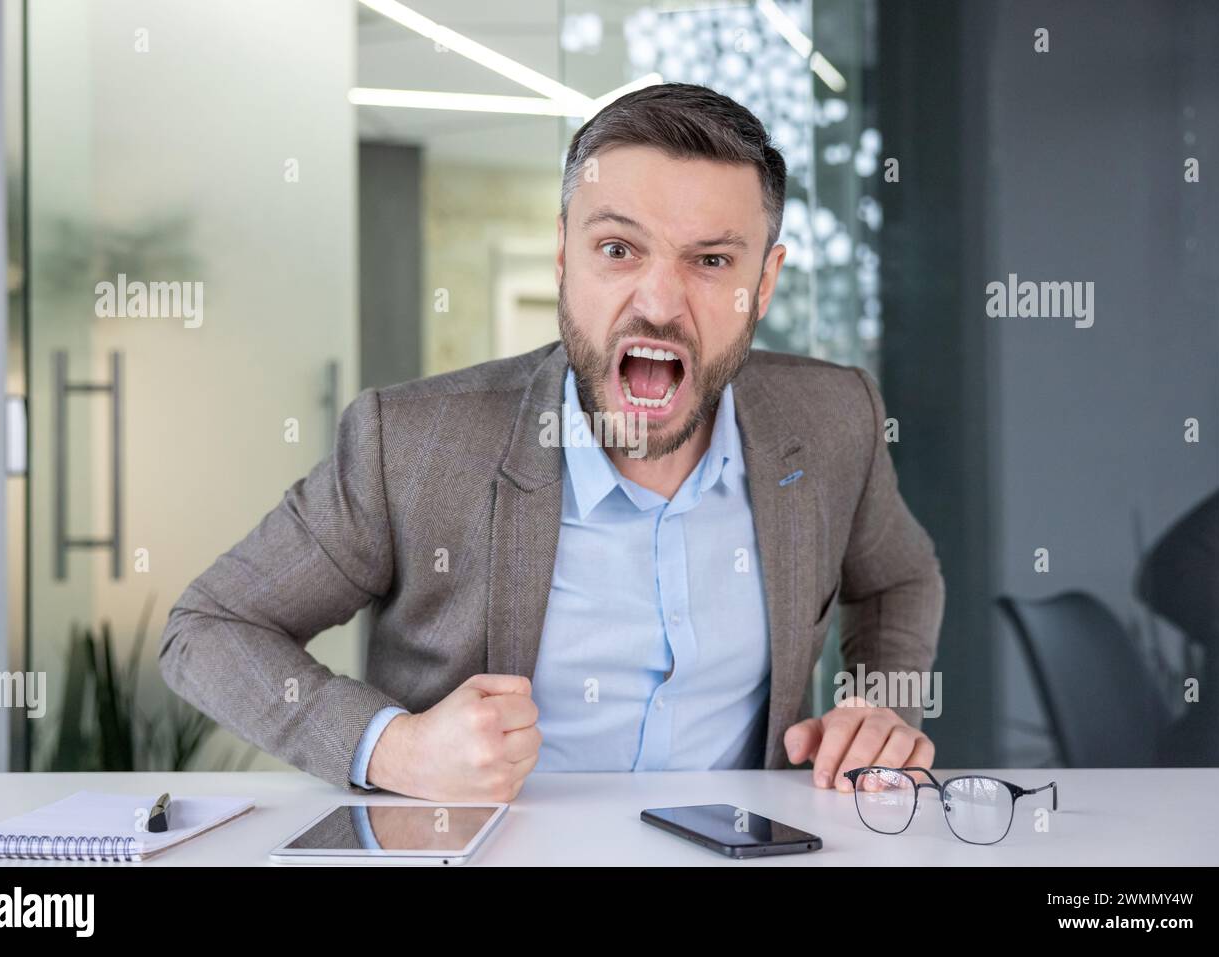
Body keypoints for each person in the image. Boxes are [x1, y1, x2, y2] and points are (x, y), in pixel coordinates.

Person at [159, 82, 945, 801]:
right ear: (563, 252)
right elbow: (210, 627)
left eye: (710, 261)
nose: (660, 302)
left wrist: (875, 702)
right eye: (618, 250)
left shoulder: (833, 417)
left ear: (764, 283)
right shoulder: (411, 446)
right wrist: (393, 747)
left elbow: (900, 577)